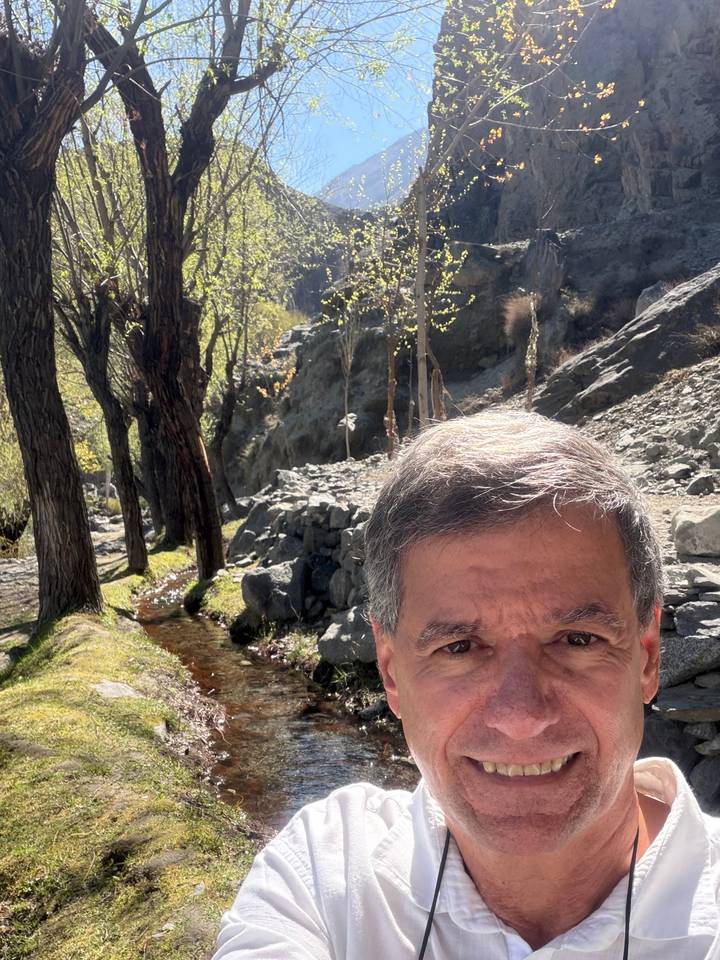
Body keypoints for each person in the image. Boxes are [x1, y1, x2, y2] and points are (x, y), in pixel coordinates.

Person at [213, 410, 720, 959]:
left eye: (576, 639)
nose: (522, 715)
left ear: (647, 657)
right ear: (391, 673)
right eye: (458, 648)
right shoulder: (323, 877)